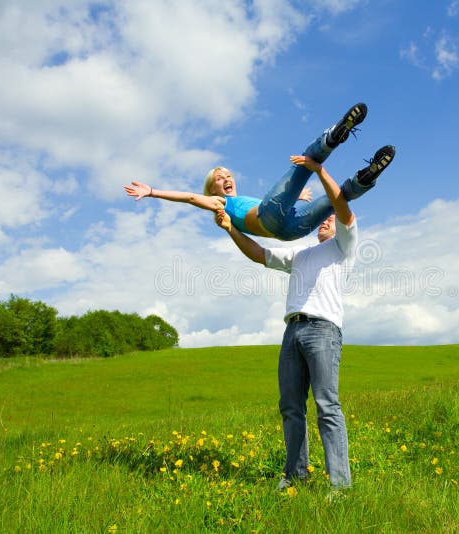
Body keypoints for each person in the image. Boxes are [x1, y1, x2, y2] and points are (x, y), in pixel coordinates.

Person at [214, 148, 386, 493]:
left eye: (328, 220)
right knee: (291, 408)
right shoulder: (301, 253)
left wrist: (319, 171)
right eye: (320, 220)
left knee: (327, 405)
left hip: (323, 329)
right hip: (292, 331)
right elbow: (258, 254)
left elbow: (340, 206)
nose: (324, 221)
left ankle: (339, 486)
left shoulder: (344, 246)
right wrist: (231, 228)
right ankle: (295, 476)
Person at [124, 103, 395, 241]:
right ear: (213, 189)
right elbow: (190, 197)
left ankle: (365, 178)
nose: (226, 179)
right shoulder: (220, 203)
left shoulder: (238, 204)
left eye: (227, 175)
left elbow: (277, 208)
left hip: (290, 231)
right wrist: (152, 192)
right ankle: (335, 135)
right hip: (273, 217)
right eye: (219, 179)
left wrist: (299, 199)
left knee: (338, 199)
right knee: (304, 163)